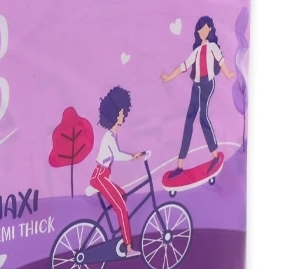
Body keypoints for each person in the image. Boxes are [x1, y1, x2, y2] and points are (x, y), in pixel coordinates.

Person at [160, 16, 236, 177]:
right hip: (196, 85)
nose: (202, 32)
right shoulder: (196, 51)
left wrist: (228, 74)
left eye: (204, 29)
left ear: (210, 29)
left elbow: (221, 61)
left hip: (207, 84)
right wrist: (169, 77)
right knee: (189, 120)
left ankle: (215, 155)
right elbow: (183, 66)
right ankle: (180, 164)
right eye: (200, 30)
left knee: (203, 118)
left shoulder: (213, 47)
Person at [91, 86, 148, 256]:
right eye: (122, 113)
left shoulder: (113, 135)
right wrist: (132, 157)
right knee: (122, 209)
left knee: (123, 197)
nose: (124, 116)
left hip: (103, 176)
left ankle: (118, 227)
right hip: (100, 177)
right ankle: (128, 247)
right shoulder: (109, 137)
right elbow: (116, 154)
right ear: (114, 114)